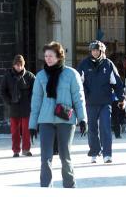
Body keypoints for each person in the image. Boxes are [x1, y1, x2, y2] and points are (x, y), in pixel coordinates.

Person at [29, 41, 87, 188]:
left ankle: (69, 186)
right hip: (46, 120)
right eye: (46, 56)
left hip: (65, 120)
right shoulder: (41, 76)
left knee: (65, 156)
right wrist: (32, 125)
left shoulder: (71, 74)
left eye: (51, 56)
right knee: (45, 158)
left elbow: (79, 98)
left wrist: (82, 119)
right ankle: (45, 188)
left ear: (59, 56)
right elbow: (36, 102)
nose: (47, 58)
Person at [77, 40, 125, 164]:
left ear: (102, 51)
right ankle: (94, 151)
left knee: (105, 128)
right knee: (91, 128)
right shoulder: (84, 64)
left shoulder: (108, 64)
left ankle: (107, 153)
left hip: (105, 102)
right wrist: (81, 97)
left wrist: (121, 98)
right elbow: (78, 84)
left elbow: (117, 82)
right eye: (93, 50)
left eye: (97, 50)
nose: (95, 52)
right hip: (90, 102)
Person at [1, 54, 35, 157]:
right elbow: (3, 91)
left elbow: (36, 91)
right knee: (14, 132)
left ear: (23, 65)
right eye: (17, 64)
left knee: (26, 131)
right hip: (14, 107)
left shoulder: (30, 76)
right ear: (14, 65)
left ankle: (26, 149)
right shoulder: (8, 76)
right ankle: (16, 150)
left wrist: (30, 102)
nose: (18, 67)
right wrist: (9, 102)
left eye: (20, 64)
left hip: (26, 108)